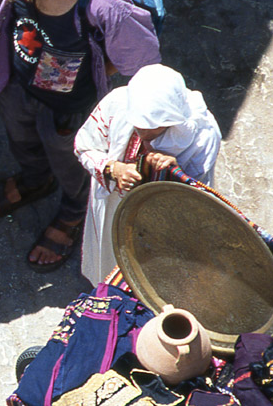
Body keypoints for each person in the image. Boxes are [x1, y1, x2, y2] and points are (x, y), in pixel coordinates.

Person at [0, 0, 160, 272]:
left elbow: (145, 66)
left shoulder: (104, 6)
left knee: (72, 164)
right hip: (17, 86)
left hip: (71, 110)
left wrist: (100, 70)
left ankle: (72, 212)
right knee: (21, 141)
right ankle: (35, 181)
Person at [74, 64, 221, 283]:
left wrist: (174, 172)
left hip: (160, 224)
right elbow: (84, 146)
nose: (141, 132)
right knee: (107, 259)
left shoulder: (204, 135)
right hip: (112, 207)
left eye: (151, 127)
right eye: (137, 125)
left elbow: (196, 198)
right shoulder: (117, 103)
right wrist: (113, 169)